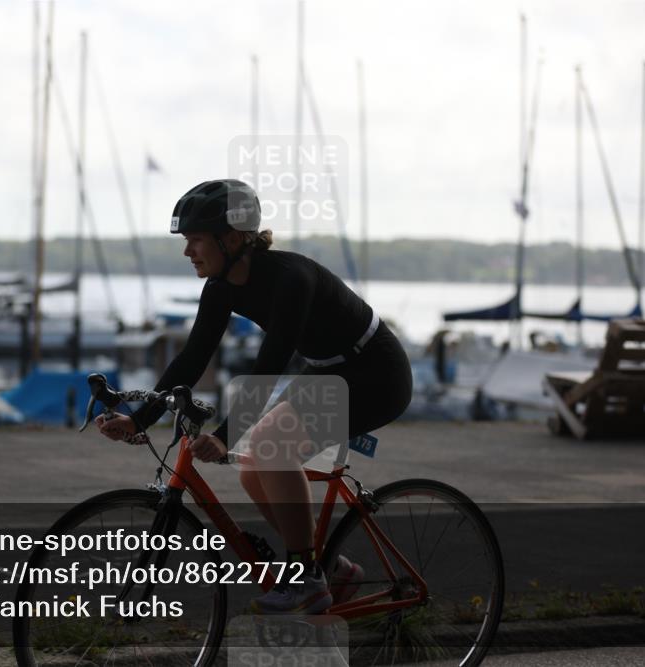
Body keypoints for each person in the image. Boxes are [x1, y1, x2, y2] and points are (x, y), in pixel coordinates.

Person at [97, 179, 413, 614]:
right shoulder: (221, 286)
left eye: (196, 240)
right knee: (251, 467)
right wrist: (138, 419)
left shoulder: (291, 279)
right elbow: (191, 360)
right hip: (328, 372)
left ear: (232, 240)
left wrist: (225, 433)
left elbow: (267, 368)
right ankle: (333, 569)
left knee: (268, 446)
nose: (188, 251)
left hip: (377, 373)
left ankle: (307, 578)